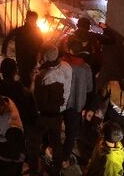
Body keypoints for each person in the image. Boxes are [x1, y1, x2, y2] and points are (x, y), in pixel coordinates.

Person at [30, 44, 73, 174]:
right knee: (56, 141)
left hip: (44, 114)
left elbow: (35, 96)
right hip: (60, 111)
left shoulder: (44, 76)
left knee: (34, 141)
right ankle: (56, 169)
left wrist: (33, 78)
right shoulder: (67, 66)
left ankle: (34, 169)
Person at [63, 38, 94, 171]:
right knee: (71, 133)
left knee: (54, 127)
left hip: (61, 102)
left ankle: (50, 148)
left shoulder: (63, 64)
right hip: (76, 105)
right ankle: (64, 159)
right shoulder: (86, 68)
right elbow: (89, 88)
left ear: (69, 50)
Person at [0, 10, 43, 86]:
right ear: (27, 19)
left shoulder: (37, 31)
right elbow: (7, 39)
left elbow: (41, 44)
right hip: (21, 59)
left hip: (33, 59)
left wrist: (39, 57)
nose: (33, 22)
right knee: (23, 77)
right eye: (31, 20)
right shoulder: (20, 30)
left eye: (35, 20)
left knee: (30, 78)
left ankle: (26, 90)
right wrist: (4, 52)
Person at [0, 57, 38, 131]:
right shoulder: (22, 91)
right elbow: (33, 113)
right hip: (19, 129)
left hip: (0, 130)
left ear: (1, 70)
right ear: (15, 71)